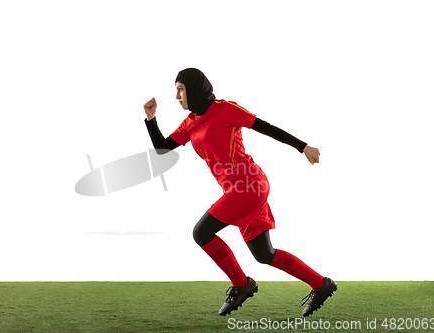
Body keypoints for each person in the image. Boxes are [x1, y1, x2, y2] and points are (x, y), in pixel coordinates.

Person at [143, 68, 336, 317]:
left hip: (250, 186)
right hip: (237, 191)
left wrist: (303, 147)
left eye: (180, 89)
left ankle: (241, 285)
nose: (177, 96)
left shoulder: (226, 109)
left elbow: (265, 127)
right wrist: (151, 119)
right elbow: (162, 148)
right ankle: (321, 284)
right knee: (265, 254)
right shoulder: (190, 123)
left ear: (194, 88)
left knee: (201, 232)